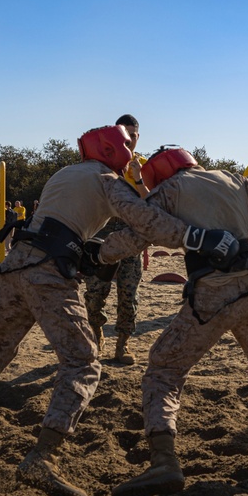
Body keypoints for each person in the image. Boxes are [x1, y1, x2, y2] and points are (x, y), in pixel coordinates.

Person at [0, 125, 241, 496]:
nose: (127, 151)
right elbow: (144, 219)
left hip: (18, 262)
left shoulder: (65, 173)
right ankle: (43, 457)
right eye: (124, 145)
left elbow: (69, 220)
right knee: (83, 362)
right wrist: (196, 237)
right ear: (108, 148)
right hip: (48, 271)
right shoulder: (106, 179)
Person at [103, 146, 248, 496]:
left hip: (211, 296)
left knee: (164, 369)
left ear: (159, 173)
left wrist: (98, 252)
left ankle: (164, 461)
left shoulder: (170, 190)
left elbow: (137, 234)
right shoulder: (234, 179)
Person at [84, 114, 147, 364]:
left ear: (137, 137)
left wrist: (139, 177)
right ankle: (97, 334)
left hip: (131, 237)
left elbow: (151, 203)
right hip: (102, 234)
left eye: (132, 136)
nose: (129, 140)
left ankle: (123, 344)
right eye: (124, 135)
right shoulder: (102, 164)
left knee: (128, 295)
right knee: (95, 293)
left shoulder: (144, 166)